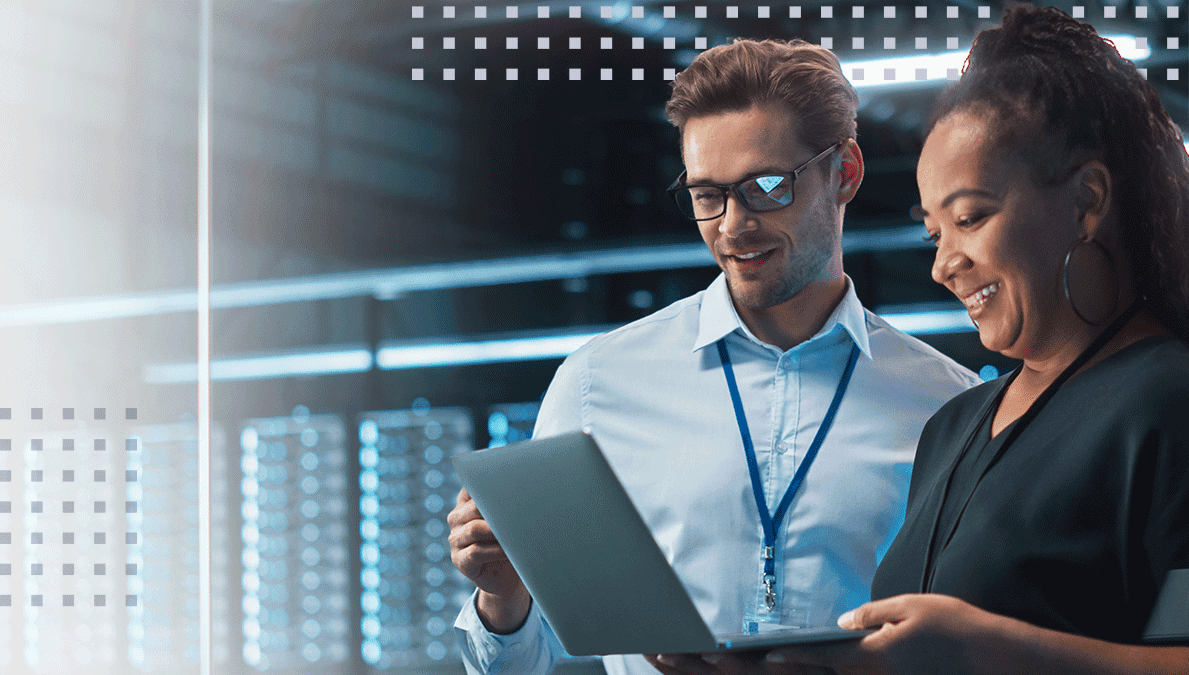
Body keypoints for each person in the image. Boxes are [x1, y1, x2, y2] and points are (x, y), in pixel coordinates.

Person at [646, 6, 1189, 675]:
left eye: (970, 217)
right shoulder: (955, 425)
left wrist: (989, 650)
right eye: (935, 232)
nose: (943, 263)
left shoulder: (1167, 403)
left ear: (1087, 201)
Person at [449, 38, 979, 675]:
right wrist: (503, 596)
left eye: (764, 187)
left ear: (844, 172)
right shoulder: (595, 385)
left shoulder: (951, 406)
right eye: (707, 196)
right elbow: (517, 667)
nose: (732, 225)